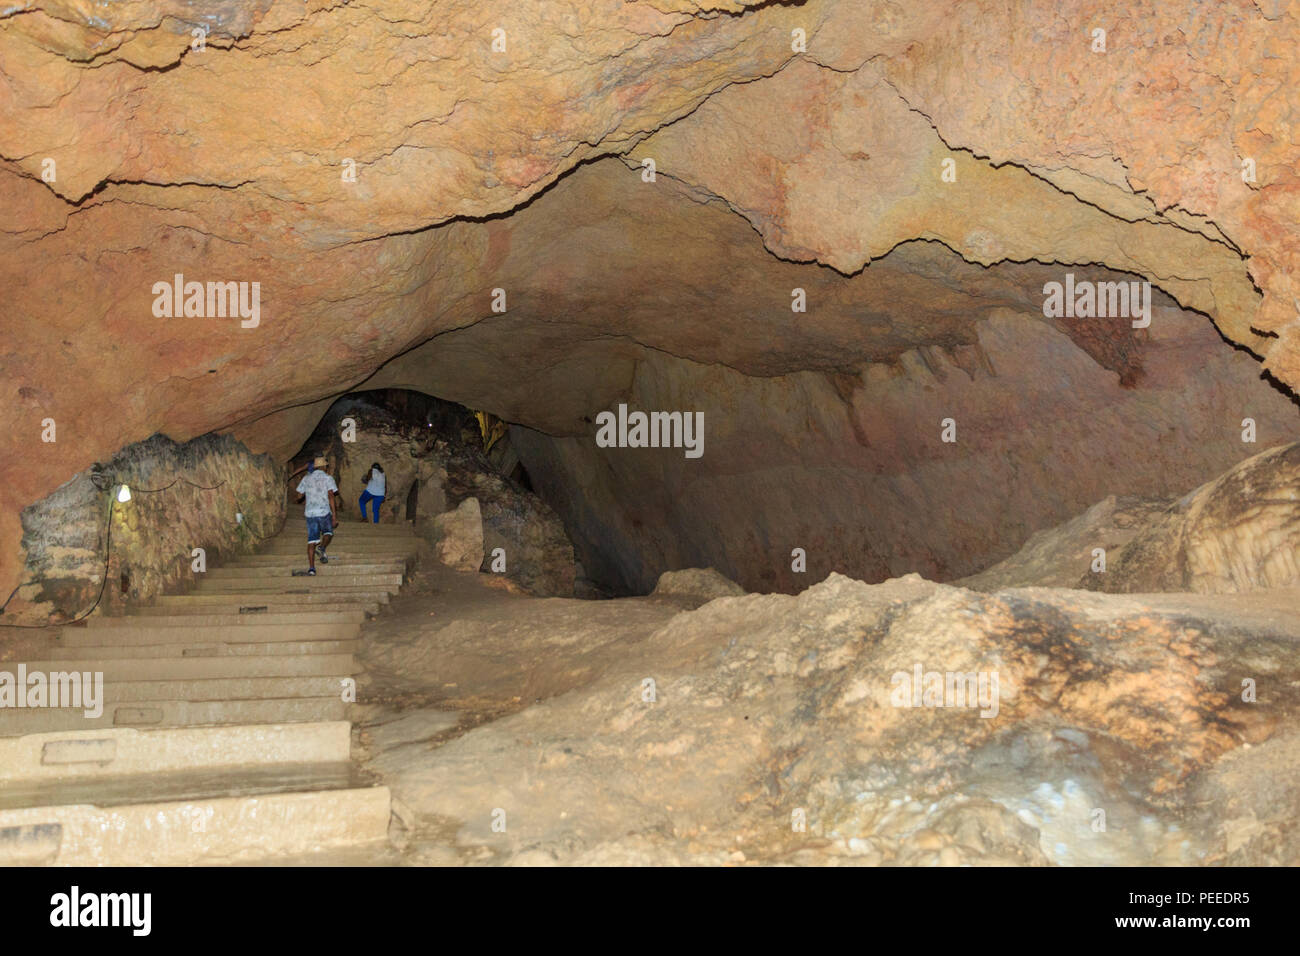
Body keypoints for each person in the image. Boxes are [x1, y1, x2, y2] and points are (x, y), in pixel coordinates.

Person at [295, 456, 338, 575]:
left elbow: (298, 495)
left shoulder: (306, 478)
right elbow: (331, 495)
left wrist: (307, 495)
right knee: (328, 533)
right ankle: (322, 547)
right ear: (324, 466)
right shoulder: (328, 478)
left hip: (310, 513)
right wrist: (334, 515)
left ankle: (312, 569)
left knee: (311, 541)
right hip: (324, 512)